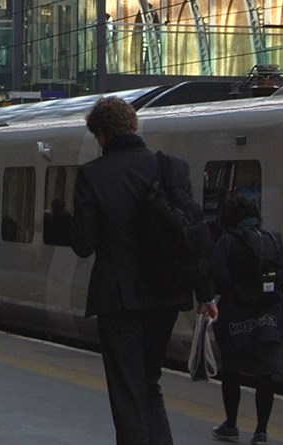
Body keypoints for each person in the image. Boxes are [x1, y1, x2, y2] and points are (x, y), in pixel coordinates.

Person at [71, 96, 217, 445]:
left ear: (102, 134)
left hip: (118, 299)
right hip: (166, 293)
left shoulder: (92, 175)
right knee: (150, 384)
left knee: (127, 392)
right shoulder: (172, 168)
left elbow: (83, 244)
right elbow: (192, 234)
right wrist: (205, 294)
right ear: (133, 127)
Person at [203, 194, 283, 445]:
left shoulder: (227, 241)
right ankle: (261, 431)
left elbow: (218, 277)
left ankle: (231, 425)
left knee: (231, 372)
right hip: (270, 320)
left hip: (236, 320)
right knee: (265, 376)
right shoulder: (274, 240)